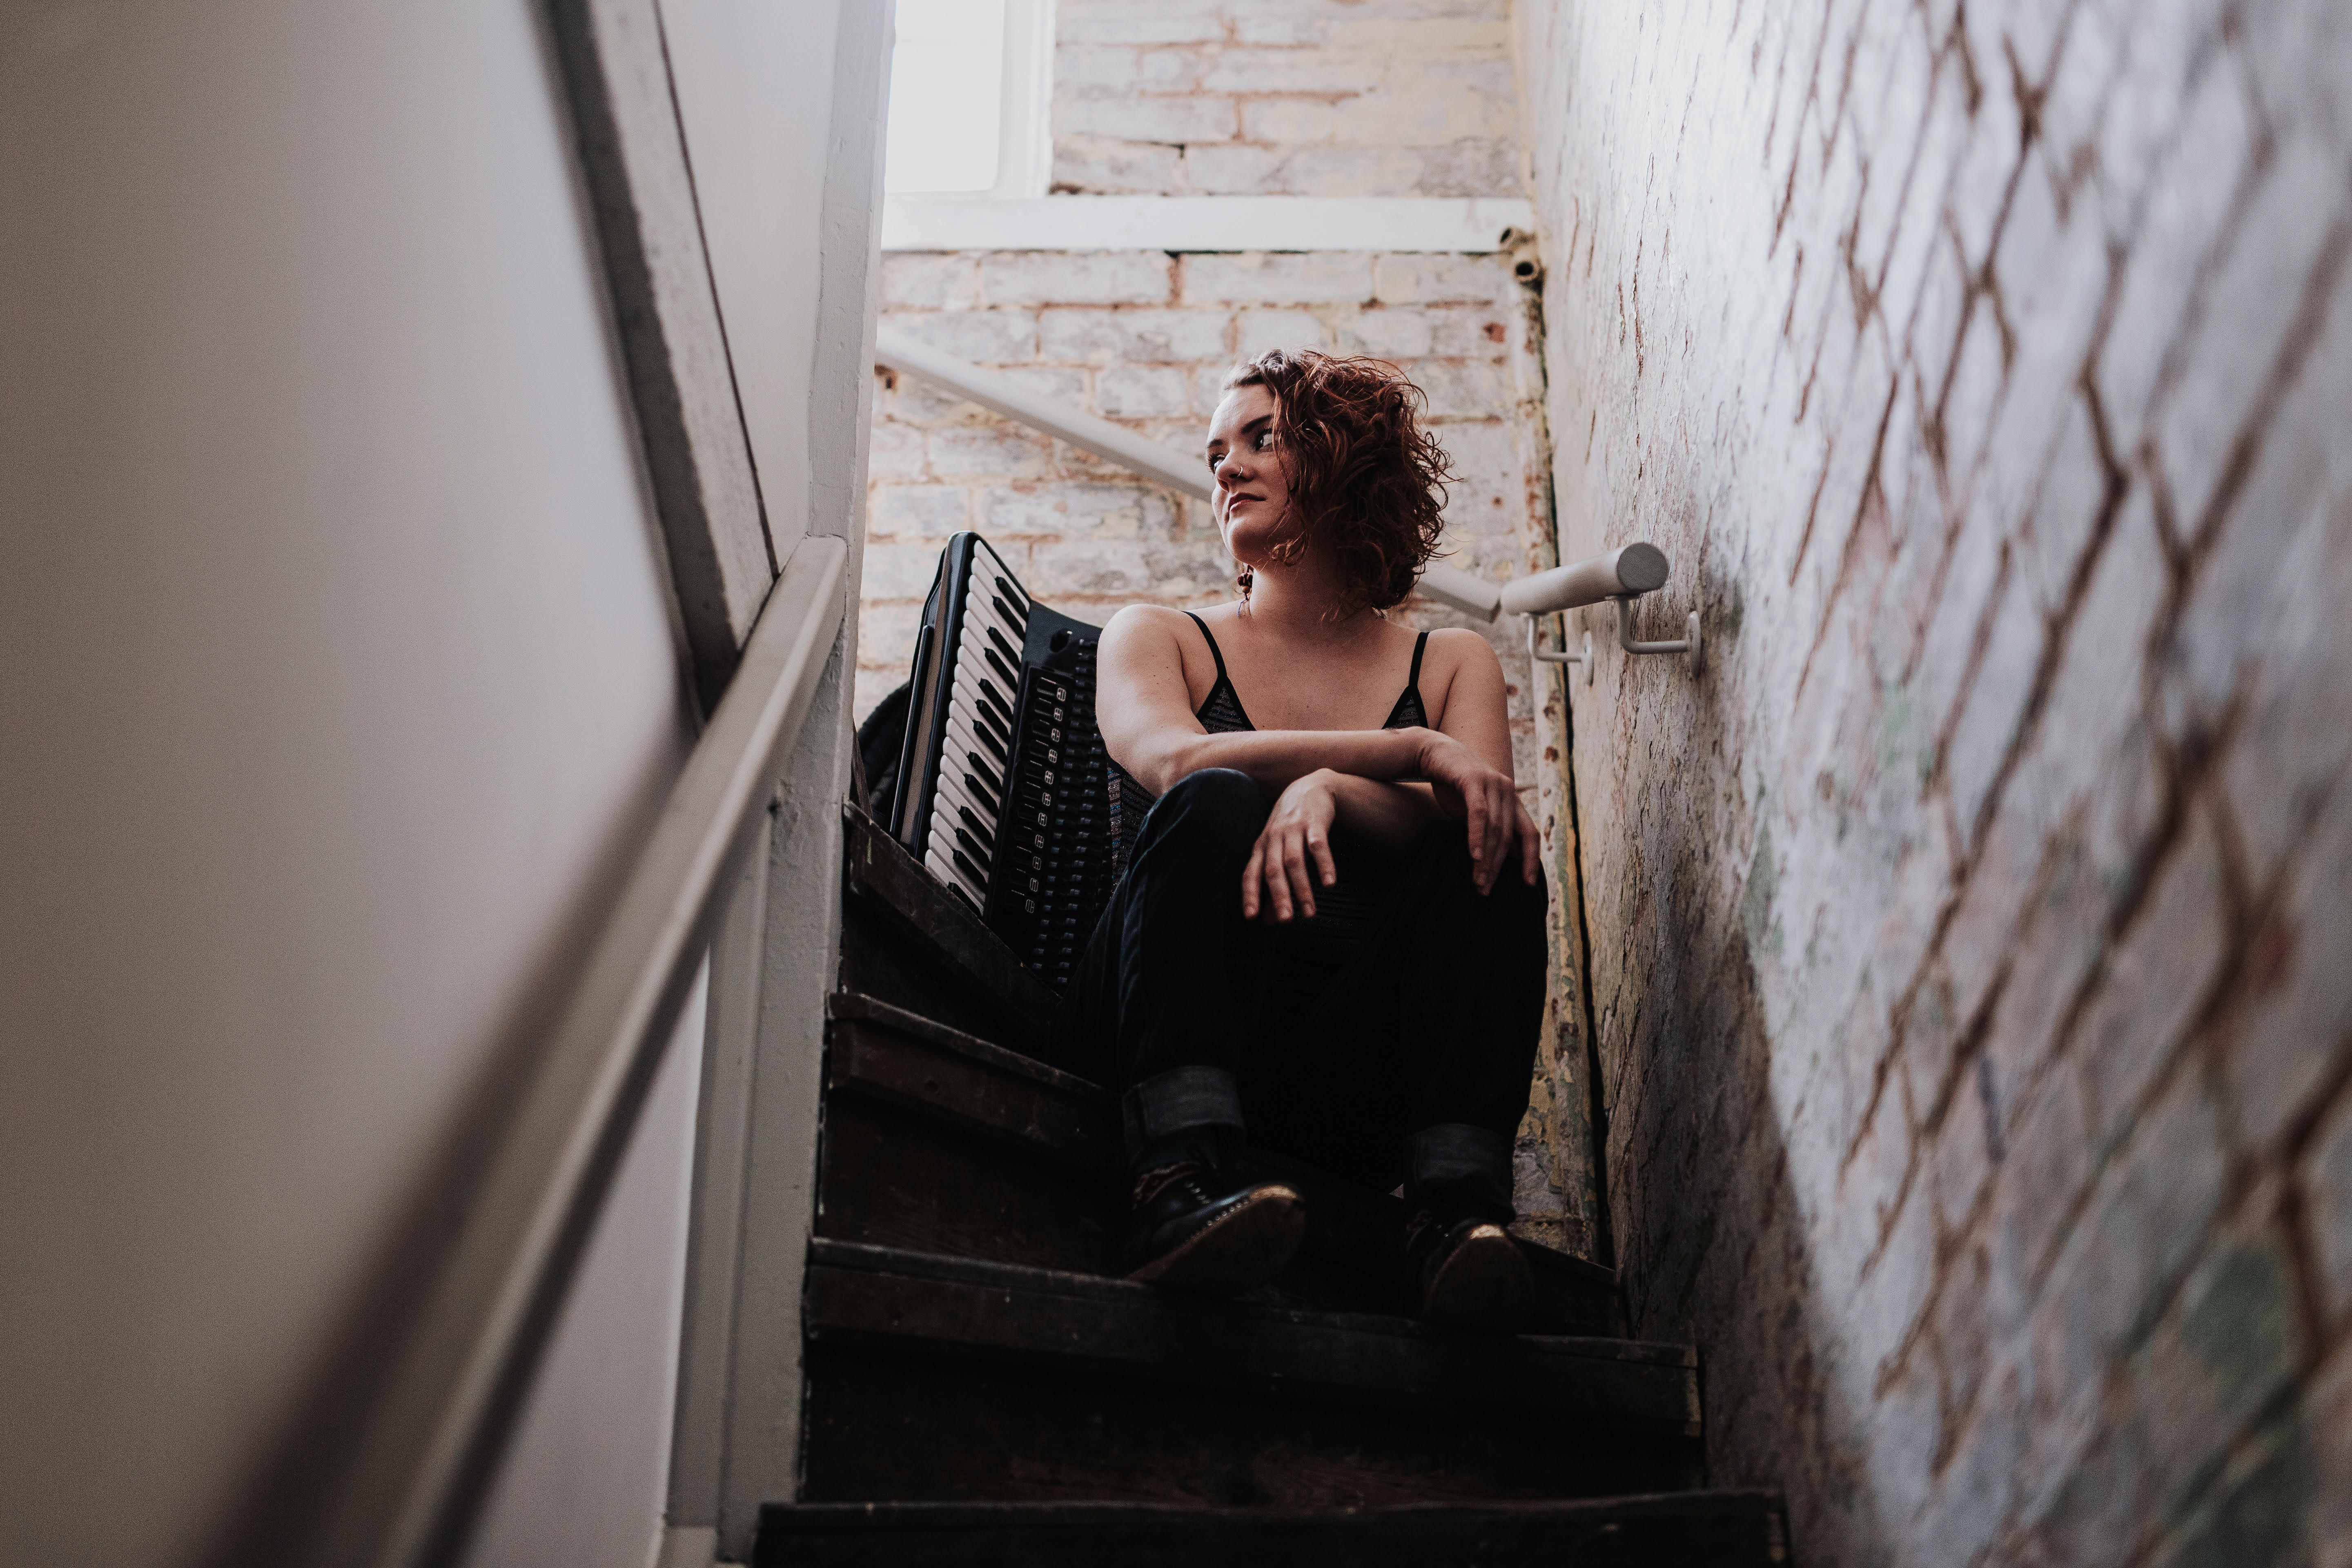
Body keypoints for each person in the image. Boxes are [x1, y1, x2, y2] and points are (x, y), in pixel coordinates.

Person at [1054, 349, 1550, 1332]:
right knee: (1222, 796)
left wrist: (1332, 784)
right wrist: (1402, 751)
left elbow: (1480, 811)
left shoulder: (1450, 660)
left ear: (1341, 456)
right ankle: (1173, 1188)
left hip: (1348, 1074)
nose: (1225, 469)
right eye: (1214, 453)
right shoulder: (1158, 635)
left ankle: (1453, 1221)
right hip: (1164, 1038)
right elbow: (1176, 766)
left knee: (1494, 849)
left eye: (1261, 438)